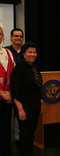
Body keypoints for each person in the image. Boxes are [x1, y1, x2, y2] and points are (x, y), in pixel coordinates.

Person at [10, 42, 43, 156]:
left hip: (35, 107)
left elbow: (38, 88)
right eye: (29, 52)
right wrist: (20, 109)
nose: (32, 54)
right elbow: (15, 91)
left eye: (34, 52)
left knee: (30, 134)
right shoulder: (19, 69)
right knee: (24, 135)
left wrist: (40, 105)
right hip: (24, 108)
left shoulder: (35, 68)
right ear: (23, 54)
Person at [6, 28, 24, 143]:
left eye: (20, 36)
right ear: (11, 37)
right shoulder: (5, 51)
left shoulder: (26, 52)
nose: (18, 38)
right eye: (16, 36)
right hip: (7, 90)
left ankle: (18, 139)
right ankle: (6, 141)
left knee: (20, 117)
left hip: (22, 91)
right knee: (6, 118)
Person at [0, 26, 15, 156]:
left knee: (5, 128)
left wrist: (10, 93)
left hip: (8, 98)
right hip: (1, 95)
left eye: (0, 34)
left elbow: (14, 74)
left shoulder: (8, 53)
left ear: (3, 36)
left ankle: (5, 151)